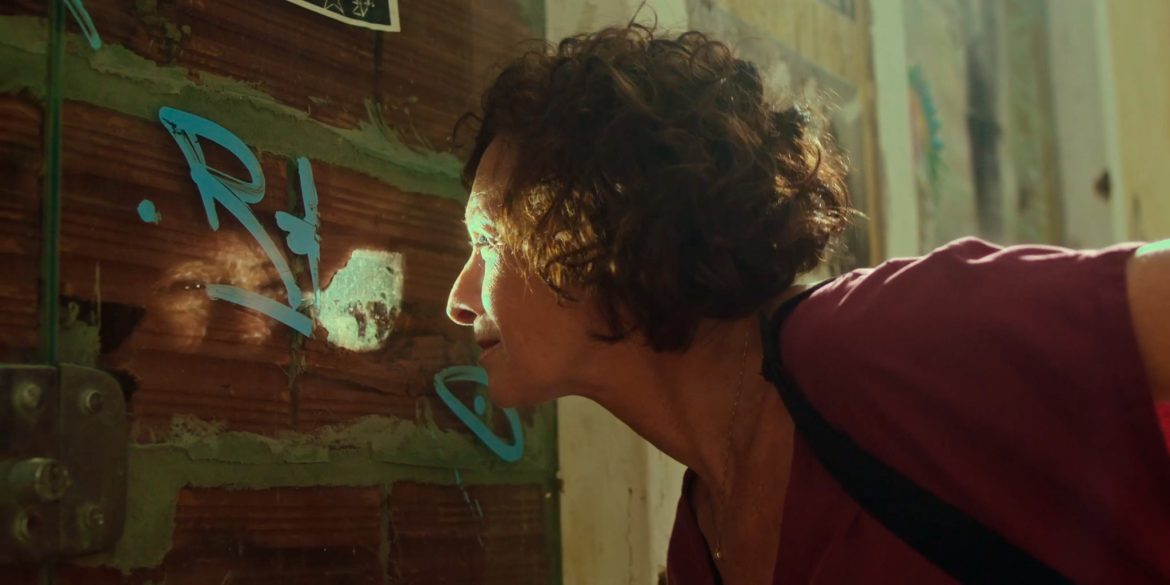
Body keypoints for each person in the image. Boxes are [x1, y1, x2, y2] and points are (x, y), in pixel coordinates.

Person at [445, 23, 1170, 584]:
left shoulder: (876, 340)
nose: (458, 297)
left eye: (487, 239)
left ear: (599, 224)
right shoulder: (697, 552)